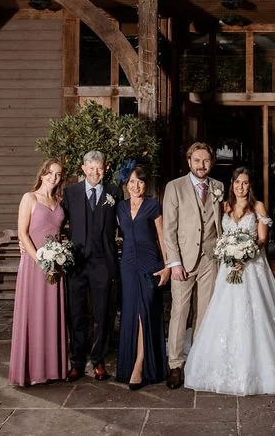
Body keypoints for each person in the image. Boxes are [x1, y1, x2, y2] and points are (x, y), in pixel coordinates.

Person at [184, 167, 275, 395]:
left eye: (245, 183)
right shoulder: (225, 207)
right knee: (225, 314)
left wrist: (245, 255)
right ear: (232, 184)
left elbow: (264, 239)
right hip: (228, 269)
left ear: (250, 185)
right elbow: (219, 236)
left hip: (252, 268)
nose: (241, 187)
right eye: (238, 183)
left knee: (254, 314)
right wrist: (229, 254)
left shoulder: (257, 207)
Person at [162, 142, 224, 389]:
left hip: (210, 259)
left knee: (205, 312)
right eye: (197, 160)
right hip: (183, 261)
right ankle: (175, 364)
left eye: (206, 161)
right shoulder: (174, 187)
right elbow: (169, 228)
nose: (202, 165)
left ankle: (197, 362)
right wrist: (174, 262)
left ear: (211, 163)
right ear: (189, 162)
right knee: (180, 311)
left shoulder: (218, 187)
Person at [9, 159, 68, 386]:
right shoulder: (29, 198)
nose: (54, 178)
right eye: (51, 173)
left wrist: (60, 255)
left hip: (56, 263)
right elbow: (22, 233)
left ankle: (53, 369)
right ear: (42, 174)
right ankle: (31, 371)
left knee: (52, 314)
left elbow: (59, 231)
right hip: (35, 265)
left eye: (58, 174)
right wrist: (40, 260)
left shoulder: (59, 201)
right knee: (33, 314)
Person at [64, 150, 121, 382]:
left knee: (102, 314)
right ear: (83, 168)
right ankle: (77, 362)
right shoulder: (71, 193)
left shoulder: (114, 192)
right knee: (76, 314)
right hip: (77, 263)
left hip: (103, 263)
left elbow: (124, 220)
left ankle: (98, 361)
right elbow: (55, 221)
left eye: (99, 167)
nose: (95, 172)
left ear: (105, 169)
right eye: (91, 167)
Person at [115, 163, 170, 389]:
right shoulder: (119, 208)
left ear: (145, 184)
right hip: (127, 265)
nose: (136, 186)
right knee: (131, 312)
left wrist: (167, 266)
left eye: (139, 181)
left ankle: (140, 365)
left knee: (145, 312)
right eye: (131, 182)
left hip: (150, 264)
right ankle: (131, 365)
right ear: (125, 185)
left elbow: (162, 237)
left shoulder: (153, 205)